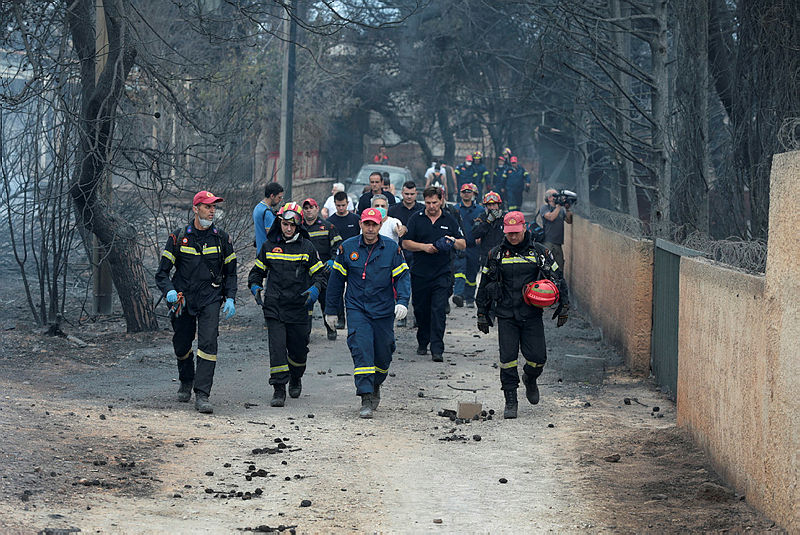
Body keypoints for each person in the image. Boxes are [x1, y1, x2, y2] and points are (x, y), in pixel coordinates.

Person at [475, 211, 570, 419]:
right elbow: (484, 284)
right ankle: (510, 400)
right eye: (509, 233)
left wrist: (564, 305)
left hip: (531, 315)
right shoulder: (496, 254)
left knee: (538, 358)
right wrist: (482, 312)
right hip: (506, 315)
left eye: (516, 232)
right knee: (507, 359)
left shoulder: (540, 253)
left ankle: (530, 378)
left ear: (524, 228)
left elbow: (558, 278)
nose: (513, 237)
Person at [155, 190, 237, 414]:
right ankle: (186, 379)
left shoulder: (222, 238)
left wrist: (230, 297)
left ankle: (202, 394)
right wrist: (170, 291)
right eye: (208, 206)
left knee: (208, 343)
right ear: (195, 208)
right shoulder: (178, 237)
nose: (212, 211)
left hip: (210, 297)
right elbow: (161, 274)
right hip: (182, 298)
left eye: (214, 207)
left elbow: (231, 273)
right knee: (182, 344)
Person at [325, 207, 411, 418]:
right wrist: (331, 311)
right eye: (367, 224)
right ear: (360, 225)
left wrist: (402, 302)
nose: (370, 228)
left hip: (383, 310)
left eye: (374, 224)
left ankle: (375, 384)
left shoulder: (391, 249)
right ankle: (365, 397)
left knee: (384, 353)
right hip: (357, 309)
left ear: (380, 226)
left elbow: (402, 277)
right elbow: (336, 282)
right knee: (362, 349)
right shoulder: (347, 248)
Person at [248, 202, 327, 408]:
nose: (288, 228)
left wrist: (315, 289)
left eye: (292, 225)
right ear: (279, 223)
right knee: (277, 349)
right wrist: (255, 286)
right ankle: (278, 389)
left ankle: (296, 377)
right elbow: (257, 272)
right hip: (274, 306)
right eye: (285, 224)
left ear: (298, 225)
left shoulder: (307, 248)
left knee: (298, 351)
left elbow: (320, 275)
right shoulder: (268, 246)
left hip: (300, 306)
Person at [402, 186, 466, 362]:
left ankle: (437, 348)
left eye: (435, 202)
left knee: (438, 310)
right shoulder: (416, 219)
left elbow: (463, 244)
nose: (431, 206)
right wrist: (424, 247)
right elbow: (406, 243)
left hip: (442, 273)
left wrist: (451, 241)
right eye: (428, 203)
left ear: (441, 200)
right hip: (420, 272)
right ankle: (423, 341)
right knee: (421, 310)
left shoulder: (450, 219)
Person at [301, 197, 343, 341]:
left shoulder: (328, 227)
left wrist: (333, 259)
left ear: (317, 209)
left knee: (327, 303)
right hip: (306, 274)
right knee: (306, 304)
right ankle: (305, 334)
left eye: (311, 207)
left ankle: (331, 329)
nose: (309, 211)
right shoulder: (299, 229)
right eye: (306, 208)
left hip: (324, 272)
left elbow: (338, 246)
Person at [326, 190, 360, 329]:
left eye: (343, 205)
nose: (341, 208)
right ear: (335, 205)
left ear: (348, 204)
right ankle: (340, 317)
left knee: (355, 288)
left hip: (355, 260)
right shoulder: (330, 222)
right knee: (337, 288)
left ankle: (356, 316)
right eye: (338, 205)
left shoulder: (355, 220)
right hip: (338, 260)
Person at [452, 183, 483, 308]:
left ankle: (470, 298)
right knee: (459, 271)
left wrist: (481, 237)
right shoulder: (455, 209)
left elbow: (484, 226)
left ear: (473, 194)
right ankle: (458, 295)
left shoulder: (480, 210)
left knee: (472, 272)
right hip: (459, 245)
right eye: (464, 191)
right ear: (460, 193)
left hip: (474, 247)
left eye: (468, 191)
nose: (466, 193)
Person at [537, 188, 573, 270]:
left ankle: (558, 282)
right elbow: (551, 217)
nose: (557, 198)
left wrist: (567, 209)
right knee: (547, 265)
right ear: (549, 198)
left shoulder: (561, 210)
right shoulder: (544, 208)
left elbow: (569, 221)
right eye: (555, 196)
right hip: (547, 242)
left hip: (558, 243)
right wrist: (559, 206)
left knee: (559, 266)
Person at [472, 191, 506, 267]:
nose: (492, 208)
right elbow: (475, 234)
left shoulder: (505, 218)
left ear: (499, 205)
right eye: (489, 205)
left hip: (502, 255)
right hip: (486, 256)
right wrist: (487, 222)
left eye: (494, 205)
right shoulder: (481, 218)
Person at [253, 182, 285, 252]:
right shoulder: (267, 213)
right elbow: (272, 235)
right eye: (279, 197)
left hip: (260, 251)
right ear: (272, 196)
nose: (280, 200)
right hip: (268, 254)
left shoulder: (258, 207)